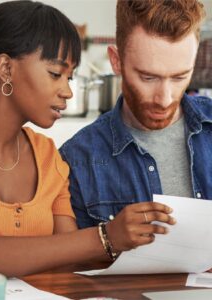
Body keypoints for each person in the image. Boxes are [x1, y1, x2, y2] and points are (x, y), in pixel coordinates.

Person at [0, 0, 174, 277]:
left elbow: (66, 262)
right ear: (6, 68)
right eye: (55, 73)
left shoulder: (47, 155)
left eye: (69, 77)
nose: (67, 91)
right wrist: (106, 237)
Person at [60, 0, 207, 229]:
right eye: (148, 78)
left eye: (180, 77)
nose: (165, 99)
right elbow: (76, 262)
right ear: (116, 62)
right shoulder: (77, 160)